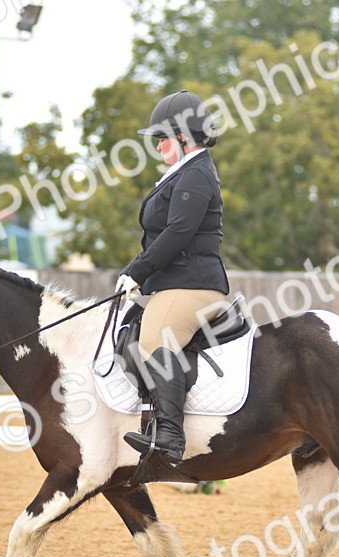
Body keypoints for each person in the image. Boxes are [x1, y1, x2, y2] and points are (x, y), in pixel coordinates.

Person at [116, 89, 230, 464]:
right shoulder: (182, 172)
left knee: (153, 338)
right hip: (174, 283)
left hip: (194, 285)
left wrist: (136, 271)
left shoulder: (196, 175)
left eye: (162, 137)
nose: (158, 144)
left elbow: (177, 234)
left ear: (183, 135)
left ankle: (169, 436)